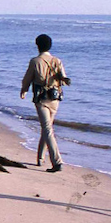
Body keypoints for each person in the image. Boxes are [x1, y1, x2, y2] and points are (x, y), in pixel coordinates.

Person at [20, 34, 70, 172]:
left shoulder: (35, 61)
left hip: (41, 99)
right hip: (55, 98)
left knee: (47, 128)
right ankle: (40, 158)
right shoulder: (57, 61)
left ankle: (57, 162)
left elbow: (27, 78)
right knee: (47, 128)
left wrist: (24, 90)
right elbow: (63, 79)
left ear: (38, 46)